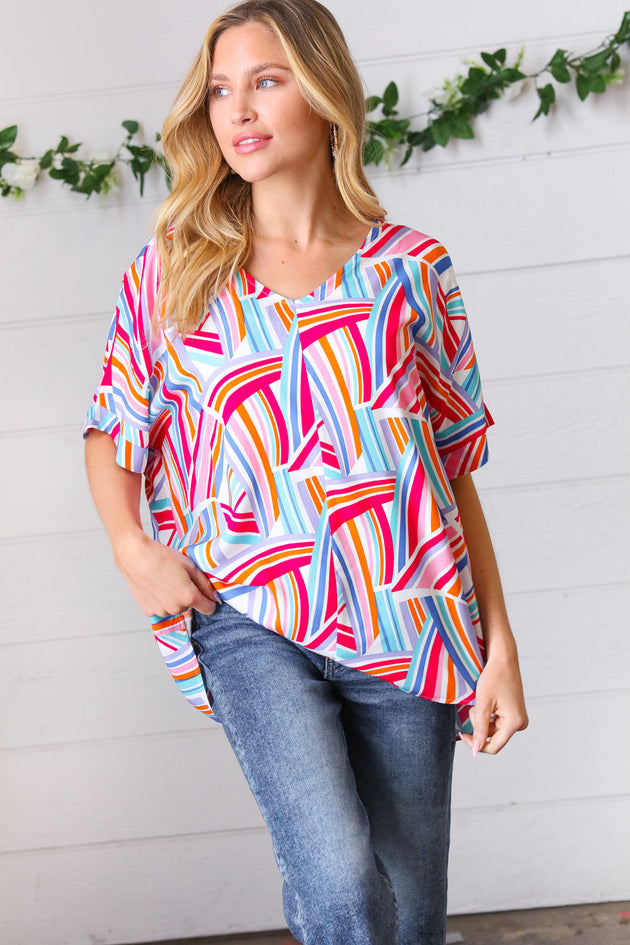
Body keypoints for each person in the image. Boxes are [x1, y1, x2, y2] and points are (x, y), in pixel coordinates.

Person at [84, 1, 528, 942]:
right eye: (220, 90)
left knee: (409, 916)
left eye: (266, 81)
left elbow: (451, 474)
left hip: (410, 622)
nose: (237, 110)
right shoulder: (176, 268)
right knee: (341, 884)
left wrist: (499, 646)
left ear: (325, 95)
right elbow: (111, 429)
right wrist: (132, 548)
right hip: (247, 618)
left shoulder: (413, 270)